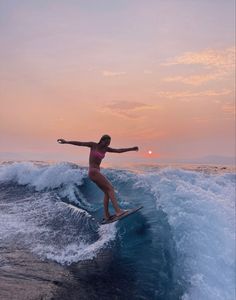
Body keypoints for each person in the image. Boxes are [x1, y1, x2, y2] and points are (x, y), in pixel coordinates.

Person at [57, 135, 139, 221]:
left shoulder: (106, 149)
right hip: (93, 171)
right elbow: (80, 143)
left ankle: (107, 216)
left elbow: (118, 150)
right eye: (106, 142)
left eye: (109, 143)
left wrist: (132, 149)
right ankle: (118, 211)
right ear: (102, 140)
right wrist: (66, 142)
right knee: (111, 188)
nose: (107, 144)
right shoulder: (93, 145)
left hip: (96, 172)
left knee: (107, 192)